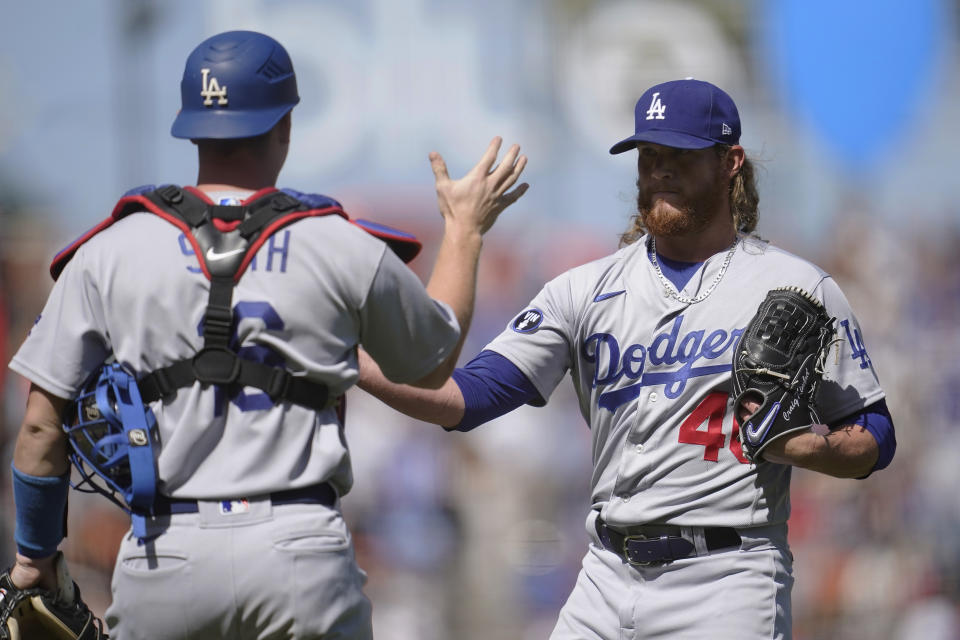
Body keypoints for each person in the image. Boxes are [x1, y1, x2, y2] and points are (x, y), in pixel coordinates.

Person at [6, 30, 527, 639]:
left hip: (165, 553)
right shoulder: (339, 243)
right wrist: (464, 228)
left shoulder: (107, 251)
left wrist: (32, 561)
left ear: (191, 126)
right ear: (284, 124)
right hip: (299, 551)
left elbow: (41, 425)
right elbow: (432, 364)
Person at [356, 78, 896, 639]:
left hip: (729, 577)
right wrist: (354, 364)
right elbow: (462, 400)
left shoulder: (795, 287)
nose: (659, 169)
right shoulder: (583, 289)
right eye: (648, 156)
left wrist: (815, 447)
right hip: (605, 576)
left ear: (730, 161)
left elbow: (876, 433)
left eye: (679, 155)